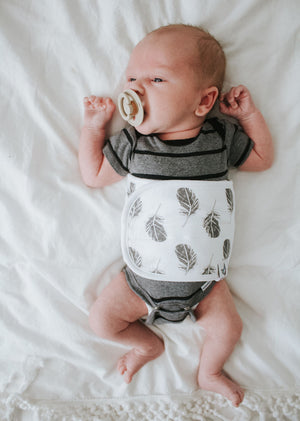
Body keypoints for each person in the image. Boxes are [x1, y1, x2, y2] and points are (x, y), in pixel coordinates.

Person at [78, 24, 274, 407]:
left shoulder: (218, 138)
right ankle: (145, 346)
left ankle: (209, 371)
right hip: (138, 282)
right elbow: (93, 175)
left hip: (206, 286)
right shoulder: (135, 142)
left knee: (228, 328)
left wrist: (249, 117)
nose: (135, 88)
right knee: (101, 321)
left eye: (155, 78)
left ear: (204, 102)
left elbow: (263, 160)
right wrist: (93, 128)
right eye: (131, 77)